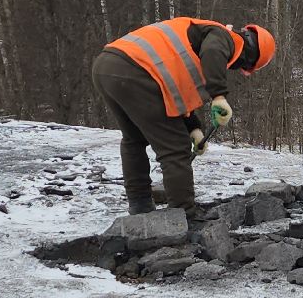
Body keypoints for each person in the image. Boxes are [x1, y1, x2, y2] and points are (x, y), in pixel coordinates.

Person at [92, 17, 275, 216]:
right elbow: (213, 51)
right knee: (175, 148)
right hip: (136, 70)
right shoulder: (223, 36)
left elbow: (176, 93)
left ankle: (140, 205)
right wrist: (218, 96)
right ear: (250, 56)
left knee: (134, 139)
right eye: (244, 67)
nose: (237, 68)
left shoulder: (198, 37)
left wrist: (194, 129)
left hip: (106, 65)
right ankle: (183, 214)